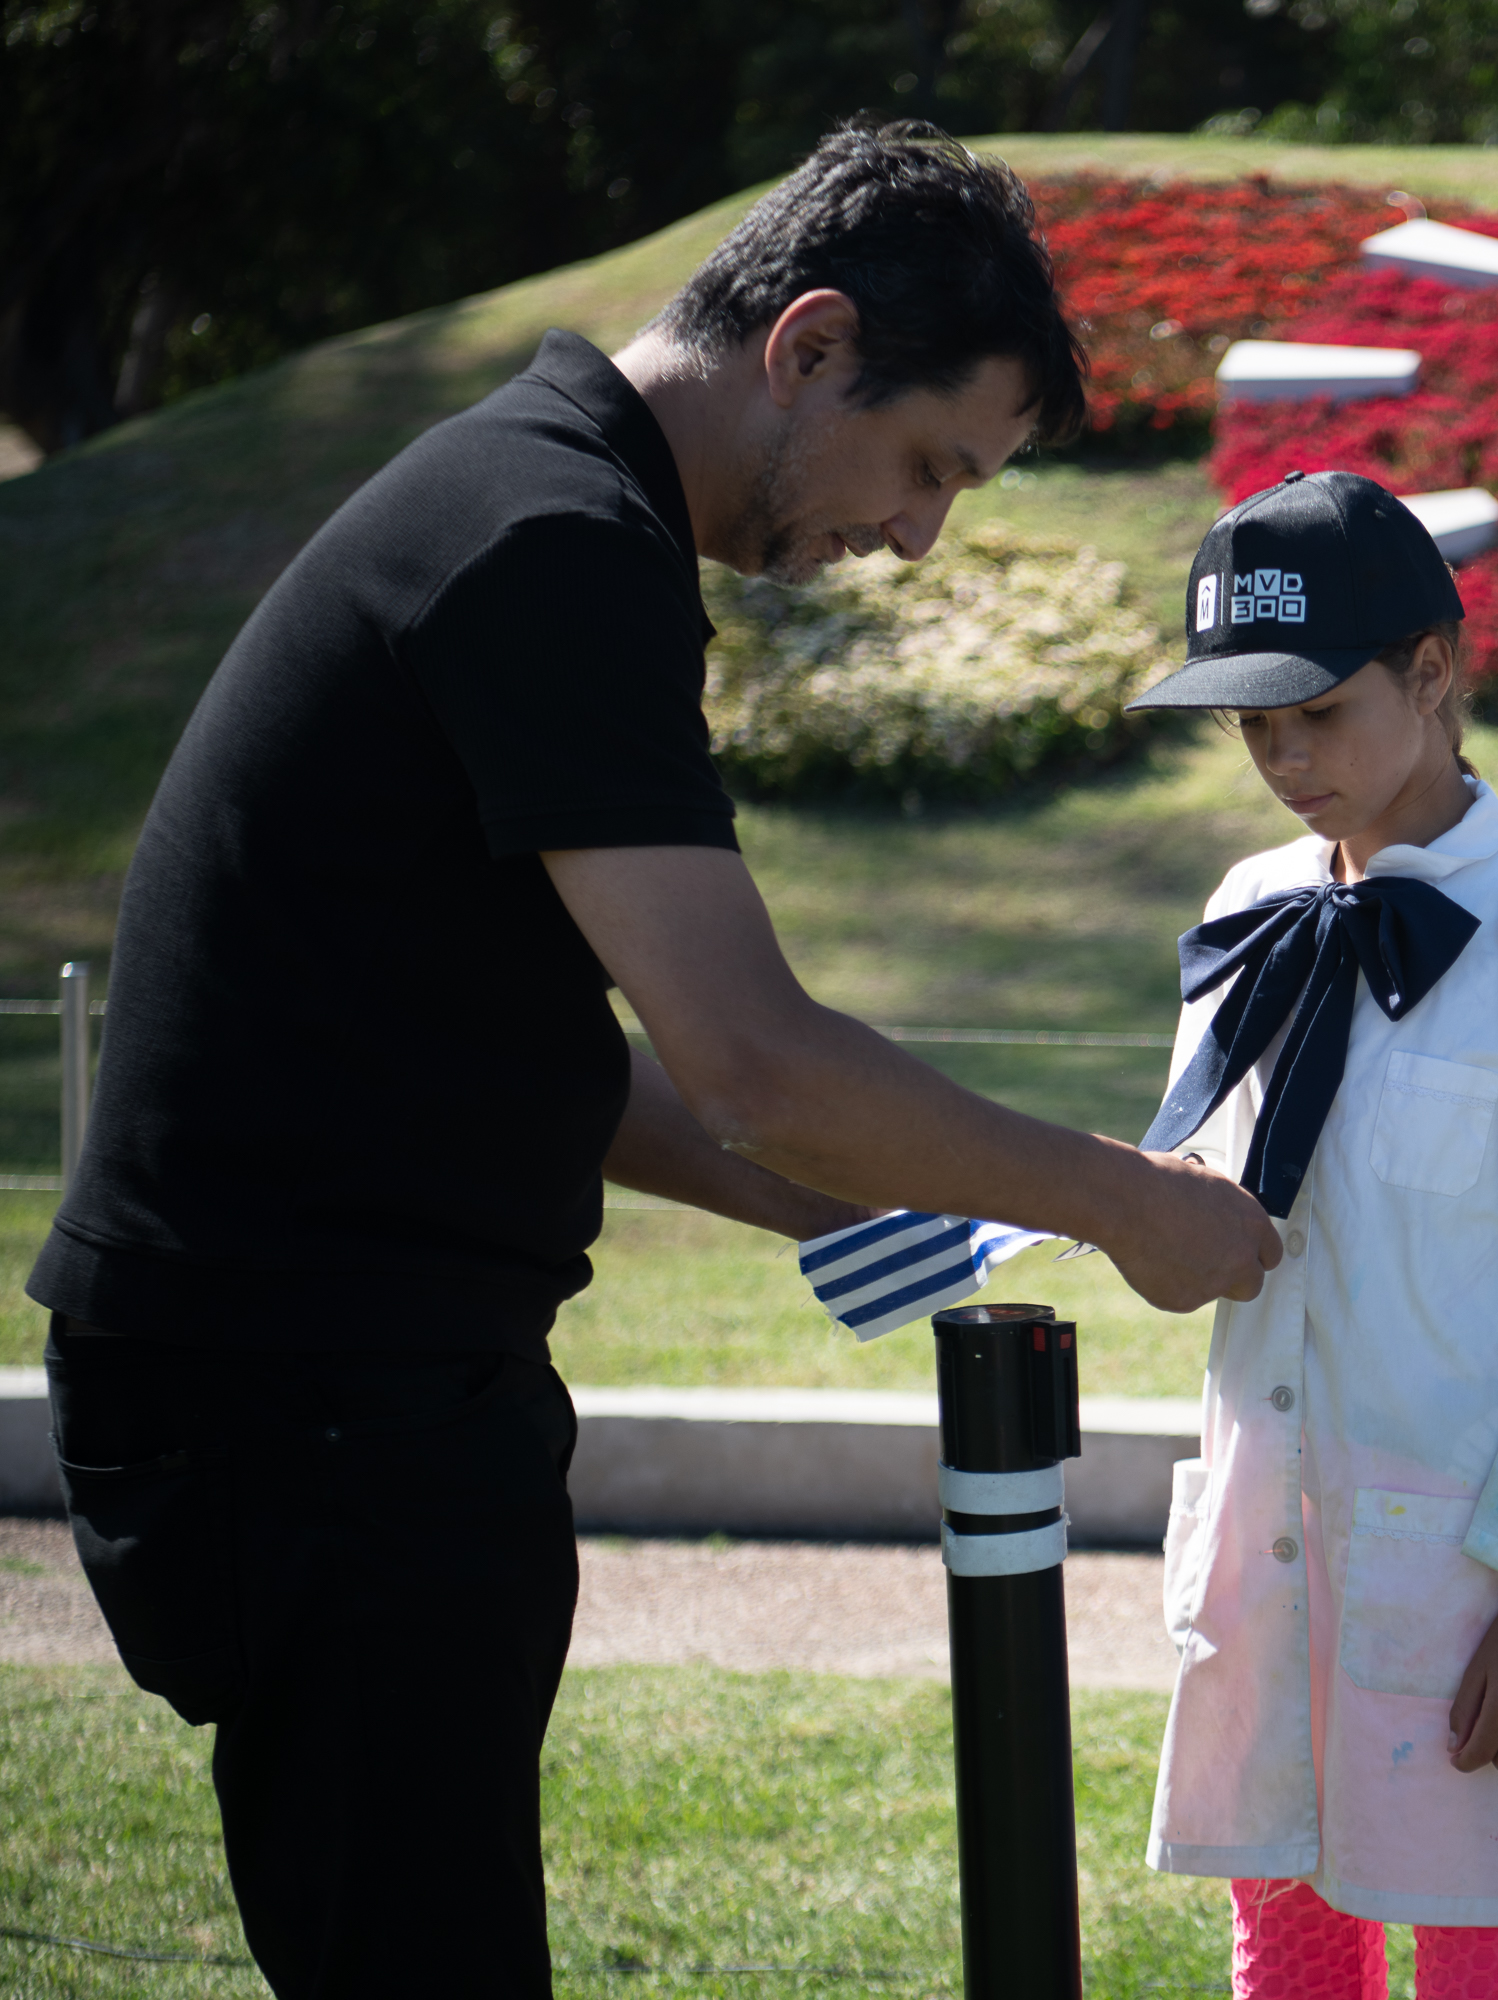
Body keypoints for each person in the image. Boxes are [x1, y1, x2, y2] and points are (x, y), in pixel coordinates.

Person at [28, 121, 1279, 1998]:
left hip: (316, 1387)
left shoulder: (541, 505)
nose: (920, 538)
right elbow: (759, 1059)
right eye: (929, 465)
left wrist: (882, 1202)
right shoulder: (552, 543)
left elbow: (536, 1057)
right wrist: (1117, 1206)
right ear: (810, 346)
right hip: (312, 1407)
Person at [1126, 470, 1498, 1999]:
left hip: (1473, 1581)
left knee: (1481, 1939)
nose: (1286, 759)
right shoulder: (1248, 907)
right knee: (1284, 1937)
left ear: (1437, 673)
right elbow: (1201, 1199)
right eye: (1254, 726)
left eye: (1320, 712)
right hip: (1271, 1541)